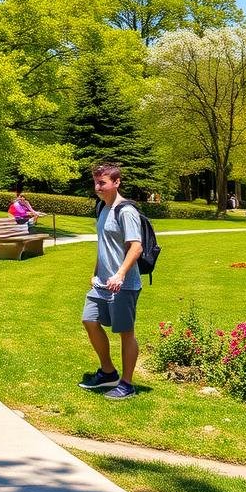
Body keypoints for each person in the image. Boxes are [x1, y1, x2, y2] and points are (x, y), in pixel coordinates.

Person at [79, 161, 142, 400]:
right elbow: (103, 246)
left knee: (126, 332)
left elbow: (136, 247)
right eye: (96, 182)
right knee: (89, 320)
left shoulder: (125, 211)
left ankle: (127, 384)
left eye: (102, 182)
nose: (98, 186)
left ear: (116, 182)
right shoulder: (102, 208)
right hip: (102, 283)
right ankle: (107, 371)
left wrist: (121, 274)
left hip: (123, 284)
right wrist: (95, 271)